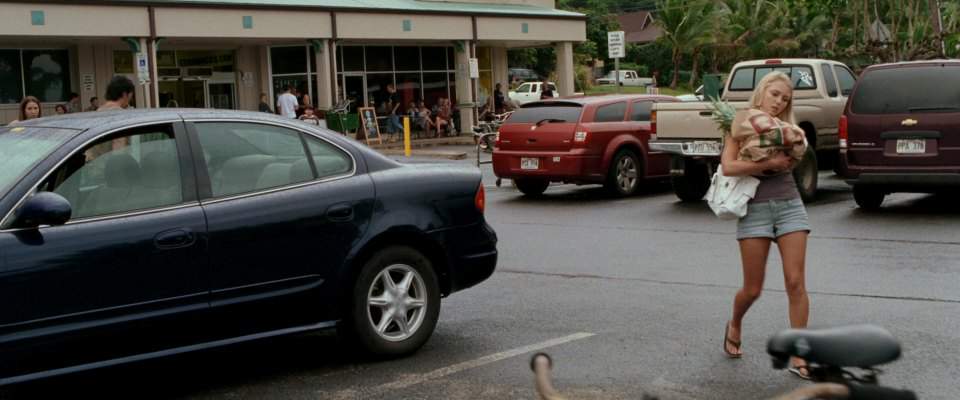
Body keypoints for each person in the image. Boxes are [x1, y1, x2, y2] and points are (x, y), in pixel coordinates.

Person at [721, 71, 812, 380]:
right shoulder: (739, 125)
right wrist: (766, 164)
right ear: (761, 92)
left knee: (795, 281)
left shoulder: (786, 129)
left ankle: (800, 354)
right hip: (755, 210)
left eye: (785, 99)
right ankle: (735, 323)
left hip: (789, 206)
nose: (778, 102)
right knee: (752, 289)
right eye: (774, 94)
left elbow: (797, 153)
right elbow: (729, 166)